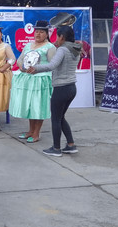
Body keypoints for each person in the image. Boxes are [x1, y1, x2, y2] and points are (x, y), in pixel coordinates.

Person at [27, 25, 81, 157]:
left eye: (57, 36)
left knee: (56, 119)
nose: (56, 38)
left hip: (61, 88)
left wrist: (36, 68)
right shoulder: (76, 49)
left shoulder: (62, 50)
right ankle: (70, 145)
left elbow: (52, 65)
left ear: (62, 37)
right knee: (61, 117)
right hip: (71, 87)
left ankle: (56, 148)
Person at [9, 20, 56, 143]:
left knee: (38, 106)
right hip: (28, 79)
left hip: (41, 80)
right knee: (30, 106)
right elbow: (20, 59)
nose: (38, 34)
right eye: (36, 32)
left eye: (41, 32)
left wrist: (38, 71)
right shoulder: (29, 45)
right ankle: (30, 130)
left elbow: (52, 65)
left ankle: (36, 133)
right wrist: (21, 67)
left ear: (47, 34)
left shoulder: (50, 47)